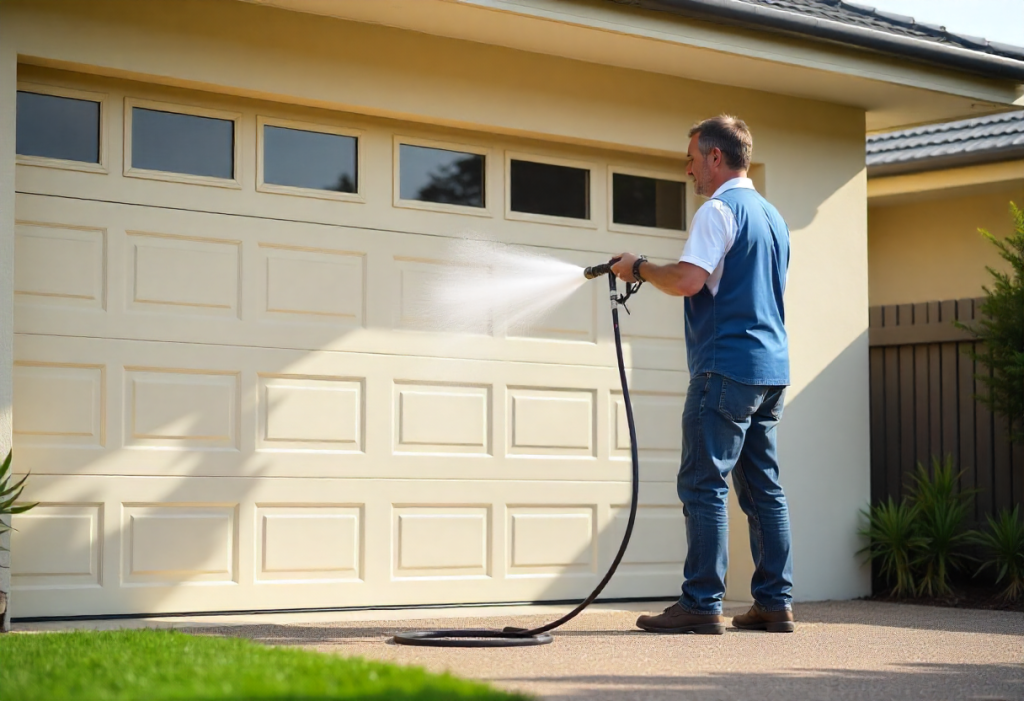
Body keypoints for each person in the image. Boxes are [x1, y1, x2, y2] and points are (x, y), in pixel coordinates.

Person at [611, 115, 795, 635]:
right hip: (770, 370)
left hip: (724, 367)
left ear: (716, 157)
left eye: (692, 157)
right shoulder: (772, 216)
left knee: (703, 483)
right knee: (764, 489)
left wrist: (639, 267)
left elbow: (690, 281)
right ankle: (775, 602)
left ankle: (700, 603)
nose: (688, 167)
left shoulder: (719, 210)